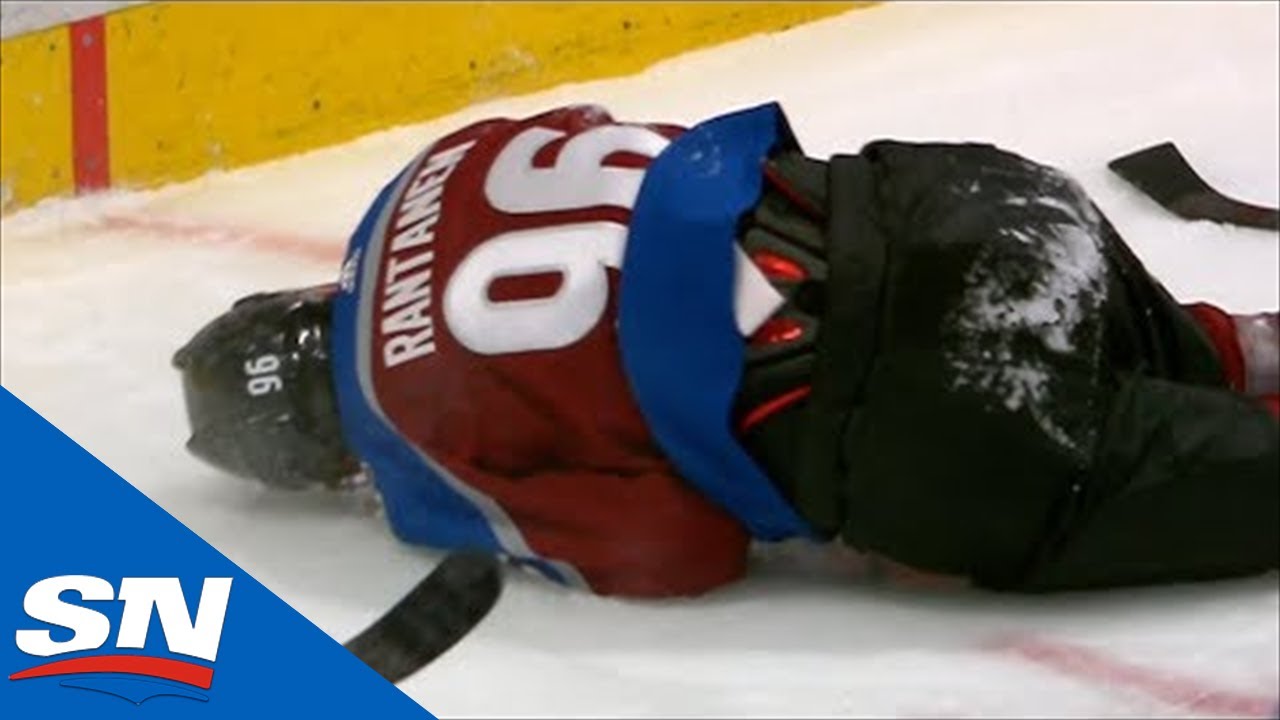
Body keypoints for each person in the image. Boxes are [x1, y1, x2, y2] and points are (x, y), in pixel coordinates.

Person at [172, 102, 1279, 597]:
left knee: (1139, 467)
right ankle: (1228, 351)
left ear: (322, 454)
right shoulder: (431, 170)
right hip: (975, 197)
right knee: (1174, 353)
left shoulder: (417, 457)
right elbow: (618, 140)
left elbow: (674, 554)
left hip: (944, 413)